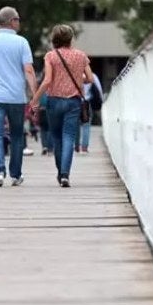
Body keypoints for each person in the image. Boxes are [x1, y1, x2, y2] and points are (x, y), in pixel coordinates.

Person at [0, 6, 38, 187]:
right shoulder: (21, 42)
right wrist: (35, 95)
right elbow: (28, 70)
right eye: (17, 19)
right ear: (12, 21)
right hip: (16, 98)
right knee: (17, 135)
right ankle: (16, 175)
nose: (19, 22)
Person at [29, 24, 93, 187]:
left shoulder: (51, 56)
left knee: (56, 137)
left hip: (54, 101)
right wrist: (79, 79)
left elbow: (48, 80)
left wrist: (35, 99)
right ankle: (65, 174)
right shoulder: (81, 55)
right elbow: (90, 79)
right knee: (69, 137)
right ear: (71, 38)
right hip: (73, 102)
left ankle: (60, 171)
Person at [76, 72, 103, 154]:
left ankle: (76, 146)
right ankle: (84, 148)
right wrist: (100, 101)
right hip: (86, 103)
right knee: (86, 125)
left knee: (75, 125)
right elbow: (99, 89)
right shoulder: (92, 76)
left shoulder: (74, 73)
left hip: (74, 102)